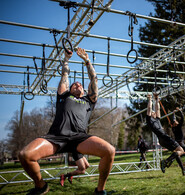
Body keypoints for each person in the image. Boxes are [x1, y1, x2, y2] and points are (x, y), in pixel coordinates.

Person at [19, 47, 115, 195]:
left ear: (84, 91)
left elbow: (93, 79)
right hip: (56, 136)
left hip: (79, 138)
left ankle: (100, 190)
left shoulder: (89, 100)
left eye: (80, 85)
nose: (78, 85)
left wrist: (87, 61)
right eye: (75, 84)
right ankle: (41, 186)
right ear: (69, 89)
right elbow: (65, 74)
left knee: (109, 151)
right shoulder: (64, 96)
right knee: (25, 155)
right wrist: (66, 59)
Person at [146, 93, 185, 176]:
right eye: (153, 112)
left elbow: (158, 109)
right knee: (181, 150)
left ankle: (181, 169)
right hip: (164, 137)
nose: (154, 112)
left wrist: (157, 98)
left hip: (162, 140)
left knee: (177, 152)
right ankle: (165, 162)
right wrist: (150, 99)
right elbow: (149, 108)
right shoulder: (149, 120)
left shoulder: (157, 119)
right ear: (151, 114)